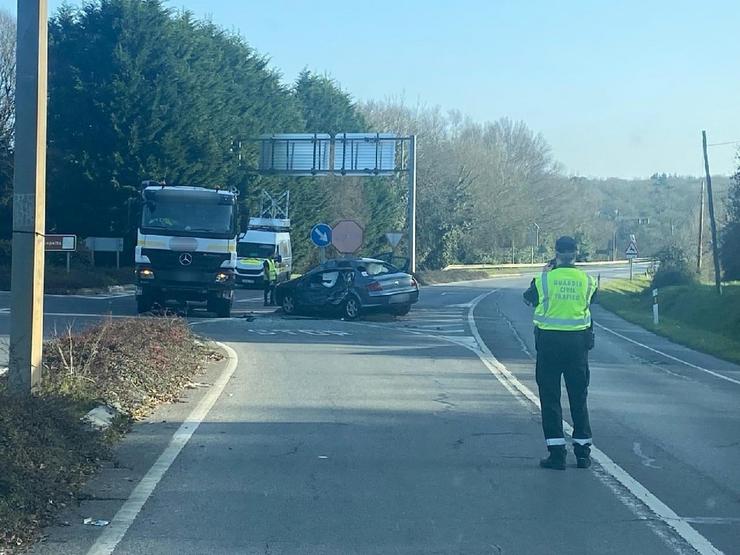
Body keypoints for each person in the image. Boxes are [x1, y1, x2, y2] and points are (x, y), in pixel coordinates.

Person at [523, 236, 597, 470]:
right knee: (579, 397)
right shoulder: (587, 280)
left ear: (556, 253)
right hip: (577, 346)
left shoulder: (545, 279)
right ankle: (583, 453)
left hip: (549, 344)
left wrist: (544, 272)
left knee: (550, 398)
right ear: (576, 253)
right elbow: (592, 301)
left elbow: (528, 299)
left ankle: (557, 455)